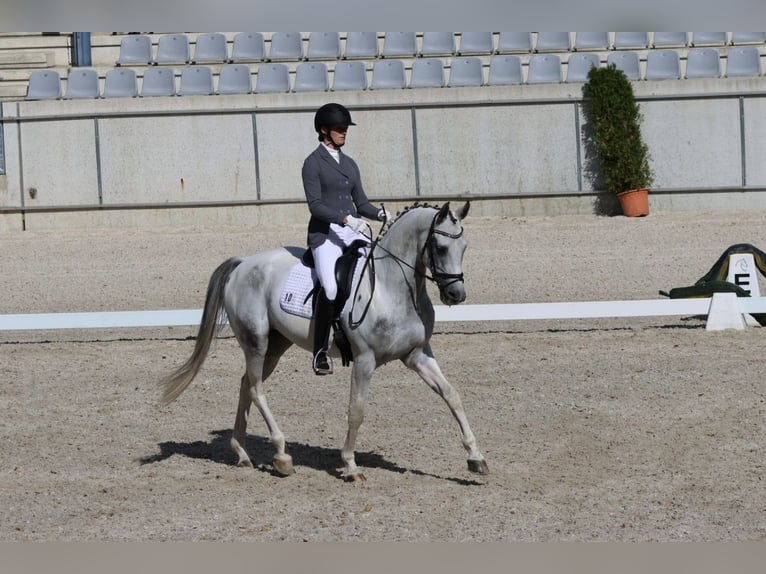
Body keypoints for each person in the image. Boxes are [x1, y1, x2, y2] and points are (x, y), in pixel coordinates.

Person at [302, 102, 390, 375]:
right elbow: (315, 205)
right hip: (325, 233)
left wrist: (379, 213)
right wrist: (345, 219)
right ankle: (319, 352)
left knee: (372, 275)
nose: (344, 133)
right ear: (324, 130)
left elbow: (361, 202)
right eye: (339, 129)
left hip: (351, 231)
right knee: (330, 288)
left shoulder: (350, 164)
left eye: (345, 129)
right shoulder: (312, 163)